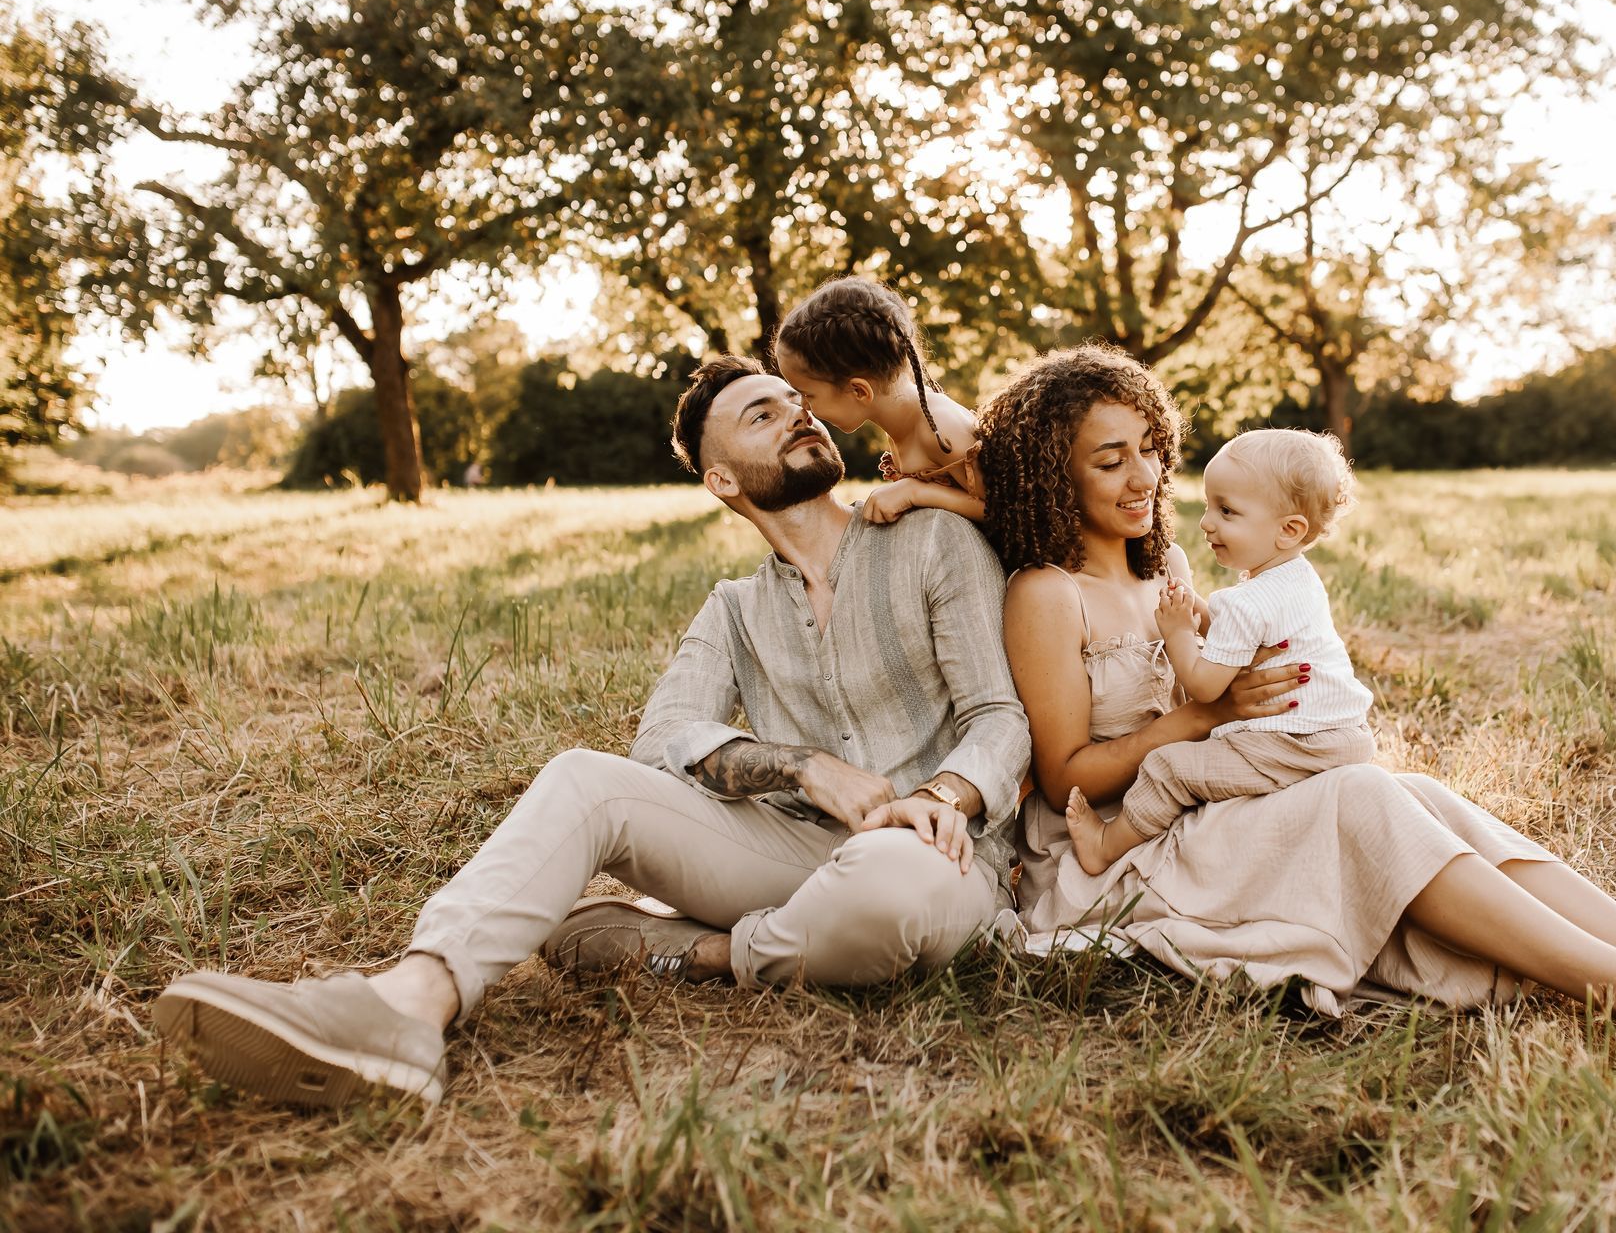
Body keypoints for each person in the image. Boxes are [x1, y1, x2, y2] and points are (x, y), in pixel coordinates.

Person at [152, 356, 1030, 1108]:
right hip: (794, 848)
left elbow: (999, 717)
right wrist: (805, 769)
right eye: (761, 414)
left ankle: (709, 952)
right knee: (583, 778)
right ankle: (410, 1005)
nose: (798, 414)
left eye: (797, 403)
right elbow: (663, 737)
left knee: (890, 895)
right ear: (722, 481)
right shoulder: (734, 608)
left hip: (936, 853)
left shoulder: (929, 543)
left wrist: (938, 793)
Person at [976, 343, 1616, 1057]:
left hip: (1212, 800)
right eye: (1110, 459)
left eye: (1151, 450)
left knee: (1414, 793)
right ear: (1056, 473)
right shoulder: (1045, 594)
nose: (1146, 478)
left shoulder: (1164, 567)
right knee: (1363, 796)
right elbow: (1064, 782)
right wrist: (1204, 716)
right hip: (1117, 852)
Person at [1063, 428, 1377, 876]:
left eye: (1227, 511)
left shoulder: (1245, 602)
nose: (1207, 522)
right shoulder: (1298, 578)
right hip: (1342, 734)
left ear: (1289, 530)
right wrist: (1202, 614)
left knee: (1169, 768)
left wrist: (1176, 632)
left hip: (1292, 743)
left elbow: (1207, 688)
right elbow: (1246, 635)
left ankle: (1104, 845)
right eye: (1210, 505)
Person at [772, 277, 986, 525]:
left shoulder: (939, 427)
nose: (803, 407)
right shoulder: (899, 421)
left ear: (859, 391)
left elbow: (1005, 512)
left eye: (808, 395)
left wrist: (914, 492)